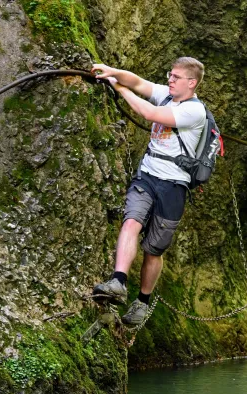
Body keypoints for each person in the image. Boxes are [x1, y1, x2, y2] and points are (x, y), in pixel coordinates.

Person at [90, 57, 206, 325]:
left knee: (154, 250)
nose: (170, 79)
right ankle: (118, 281)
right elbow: (139, 82)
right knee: (131, 221)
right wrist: (113, 72)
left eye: (176, 77)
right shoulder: (167, 95)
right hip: (147, 176)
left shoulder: (195, 112)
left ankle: (141, 302)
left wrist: (119, 88)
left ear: (192, 83)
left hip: (174, 186)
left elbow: (150, 114)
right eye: (170, 74)